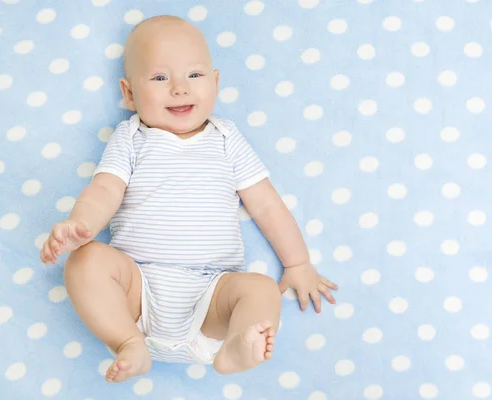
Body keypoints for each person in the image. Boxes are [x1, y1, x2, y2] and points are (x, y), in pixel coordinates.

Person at [39, 15, 338, 383]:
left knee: (260, 290)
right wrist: (81, 226)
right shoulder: (131, 138)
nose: (180, 88)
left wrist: (298, 263)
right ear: (129, 93)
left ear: (215, 82)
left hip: (212, 293)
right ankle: (129, 342)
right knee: (84, 262)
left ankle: (233, 348)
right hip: (137, 288)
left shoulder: (226, 138)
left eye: (194, 76)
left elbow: (265, 204)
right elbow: (104, 189)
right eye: (160, 78)